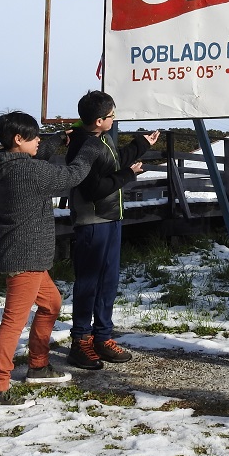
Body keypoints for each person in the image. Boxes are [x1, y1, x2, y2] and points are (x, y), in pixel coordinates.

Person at [0, 110, 104, 405]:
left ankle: (38, 365)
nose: (39, 140)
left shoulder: (5, 164)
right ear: (17, 139)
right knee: (13, 322)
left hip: (22, 253)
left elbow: (39, 152)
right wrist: (90, 145)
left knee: (51, 304)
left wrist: (61, 138)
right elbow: (72, 175)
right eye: (34, 136)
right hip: (25, 257)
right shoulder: (27, 172)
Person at [64, 90, 159, 370]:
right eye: (111, 116)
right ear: (97, 121)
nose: (114, 119)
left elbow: (114, 161)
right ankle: (80, 341)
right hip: (93, 223)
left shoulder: (99, 138)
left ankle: (102, 337)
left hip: (111, 219)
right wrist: (130, 175)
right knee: (89, 284)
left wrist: (141, 144)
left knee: (107, 283)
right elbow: (94, 189)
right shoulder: (82, 145)